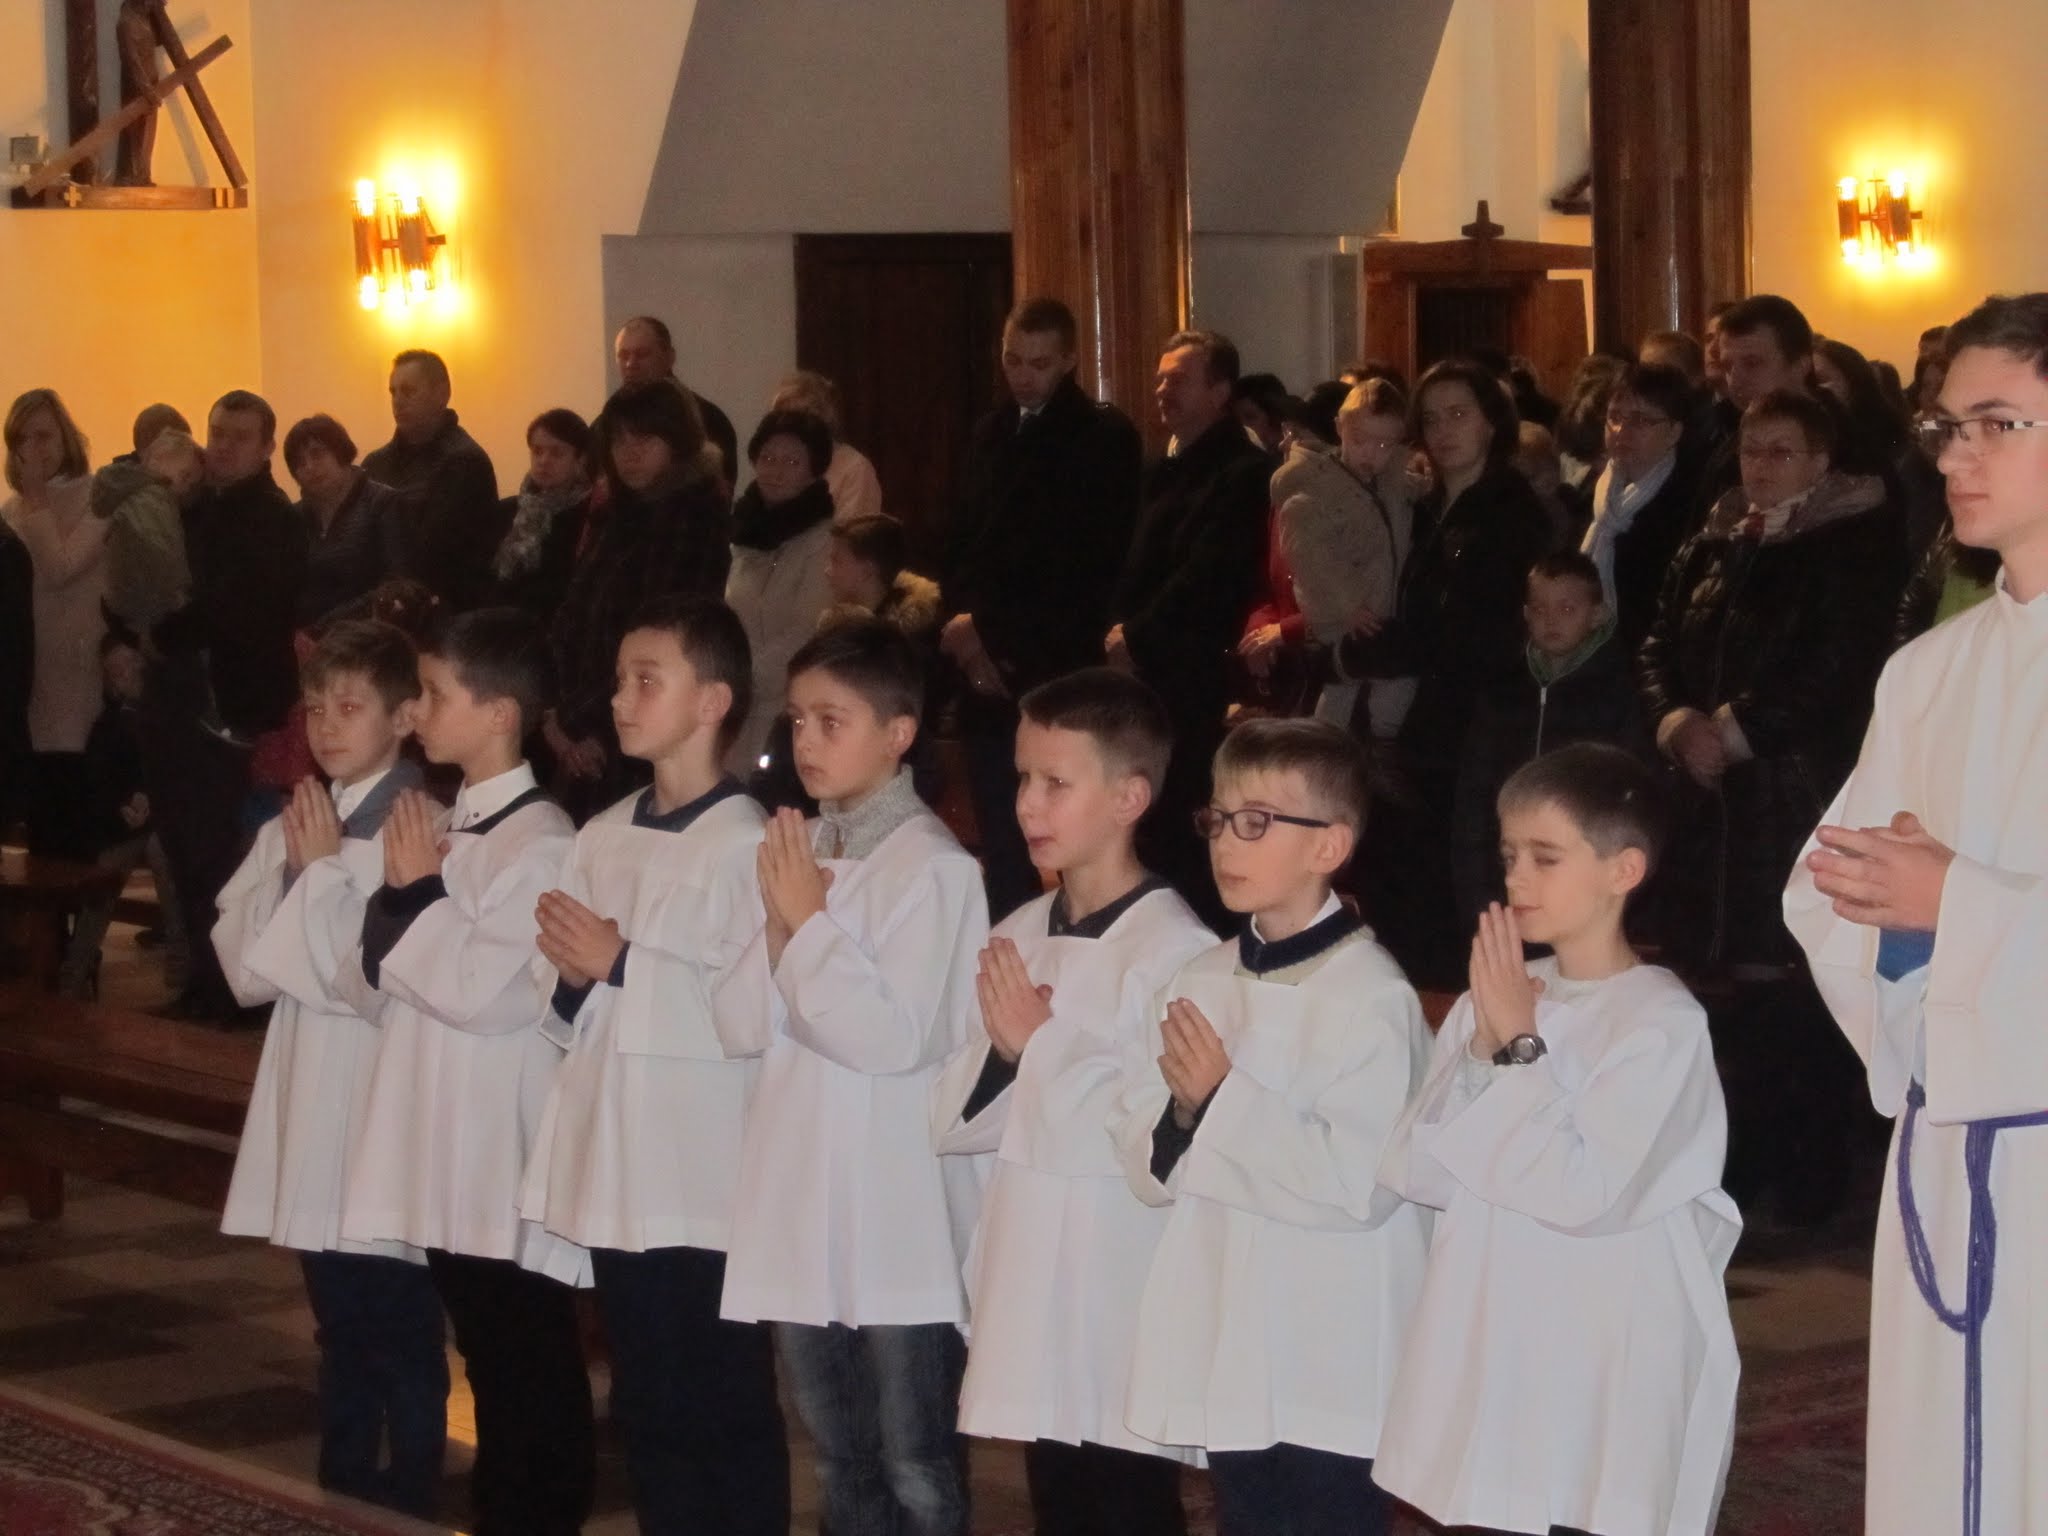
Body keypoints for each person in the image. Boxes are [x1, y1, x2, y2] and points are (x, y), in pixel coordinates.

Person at [1788, 294, 2048, 1536]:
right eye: (1945, 427)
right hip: (1947, 1141)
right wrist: (1899, 934)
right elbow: (1824, 886)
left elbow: (1937, 892)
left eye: (1995, 424)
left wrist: (1959, 903)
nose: (1953, 456)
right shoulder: (1925, 672)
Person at [1377, 744, 1740, 1536]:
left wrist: (1518, 1046)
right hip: (1498, 1322)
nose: (1517, 879)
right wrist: (1482, 1049)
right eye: (1509, 855)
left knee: (1585, 1503)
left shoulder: (1659, 1021)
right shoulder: (1497, 997)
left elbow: (1587, 1194)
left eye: (1545, 857)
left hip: (1602, 1341)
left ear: (1623, 870)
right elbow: (1416, 1171)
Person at [1114, 717, 1432, 1536]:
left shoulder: (1371, 996)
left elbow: (1363, 1186)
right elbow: (1145, 1156)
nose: (1226, 841)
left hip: (1332, 1338)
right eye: (1218, 819)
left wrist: (1223, 1100)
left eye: (1256, 822)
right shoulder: (1198, 977)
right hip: (1229, 1324)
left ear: (1329, 845)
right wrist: (1185, 1113)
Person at [520, 596, 789, 1535]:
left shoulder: (750, 844)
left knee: (721, 1397)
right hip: (618, 1156)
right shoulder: (600, 835)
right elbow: (560, 993)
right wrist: (571, 978)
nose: (619, 699)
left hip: (702, 1168)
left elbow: (754, 1009)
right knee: (647, 1399)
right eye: (619, 680)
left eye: (646, 680)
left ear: (712, 701)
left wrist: (624, 962)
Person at [715, 619, 989, 1536]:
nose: (806, 741)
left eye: (832, 721)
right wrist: (783, 924)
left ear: (898, 733)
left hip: (895, 1206)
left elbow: (891, 1037)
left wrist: (805, 927)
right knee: (838, 1456)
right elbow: (736, 1021)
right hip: (801, 1199)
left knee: (917, 1463)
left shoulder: (936, 869)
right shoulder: (802, 852)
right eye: (797, 720)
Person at [931, 669, 1213, 1536]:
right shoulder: (1016, 933)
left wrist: (1040, 1046)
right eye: (1023, 777)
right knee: (1058, 1498)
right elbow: (951, 1117)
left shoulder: (1177, 953)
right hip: (1029, 1265)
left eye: (1056, 782)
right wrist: (1005, 1056)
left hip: (1118, 1279)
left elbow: (1156, 1140)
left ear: (1130, 797)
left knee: (1127, 1506)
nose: (1027, 803)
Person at [340, 608, 593, 1536]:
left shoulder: (545, 841)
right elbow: (374, 971)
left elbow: (493, 994)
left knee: (526, 1357)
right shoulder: (443, 821)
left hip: (497, 1134)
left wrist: (415, 891)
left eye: (434, 693)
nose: (414, 711)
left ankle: (538, 1517)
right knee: (484, 1353)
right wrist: (403, 896)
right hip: (437, 1120)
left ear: (500, 714)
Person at [1639, 387, 1904, 1224]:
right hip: (1705, 800)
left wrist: (1736, 731)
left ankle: (1809, 1177)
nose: (1760, 467)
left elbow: (1838, 666)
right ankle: (1733, 1164)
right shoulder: (1714, 540)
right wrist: (1678, 721)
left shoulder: (1848, 547)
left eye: (1781, 452)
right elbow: (1657, 641)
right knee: (1720, 989)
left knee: (1795, 986)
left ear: (1821, 461)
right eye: (1752, 449)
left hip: (1790, 792)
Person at [213, 620, 446, 1518]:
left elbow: (372, 980)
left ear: (405, 717)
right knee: (339, 1309)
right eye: (315, 708)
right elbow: (245, 971)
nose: (326, 726)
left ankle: (413, 1477)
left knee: (399, 1307)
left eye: (350, 707)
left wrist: (318, 877)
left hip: (382, 1090)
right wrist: (296, 870)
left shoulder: (423, 828)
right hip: (312, 1086)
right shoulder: (302, 822)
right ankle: (345, 1471)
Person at [1331, 359, 1554, 988]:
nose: (1444, 429)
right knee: (1400, 896)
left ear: (1492, 423)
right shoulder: (1425, 506)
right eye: (1431, 418)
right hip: (1419, 727)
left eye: (1459, 414)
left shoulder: (1510, 513)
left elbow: (1472, 635)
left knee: (1457, 903)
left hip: (1477, 730)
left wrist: (1356, 656)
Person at [944, 297, 1142, 921]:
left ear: (1070, 360)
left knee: (1067, 828)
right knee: (1000, 833)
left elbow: (1082, 561)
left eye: (1039, 363)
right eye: (1013, 360)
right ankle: (1011, 941)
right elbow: (963, 539)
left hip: (1052, 659)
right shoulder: (990, 431)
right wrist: (963, 630)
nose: (1023, 376)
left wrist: (990, 633)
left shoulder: (1101, 437)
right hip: (980, 656)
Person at [1109, 330, 1274, 930]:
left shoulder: (1243, 472)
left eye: (1177, 379)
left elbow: (1211, 575)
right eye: (1159, 378)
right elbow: (1131, 562)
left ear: (1220, 391)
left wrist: (1137, 636)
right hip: (1143, 670)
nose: (1162, 389)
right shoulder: (1164, 466)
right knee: (1143, 822)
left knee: (1185, 826)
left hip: (1192, 673)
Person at [149, 390, 306, 1020]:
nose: (223, 446)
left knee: (221, 860)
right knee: (184, 852)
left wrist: (163, 632)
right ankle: (201, 985)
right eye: (216, 433)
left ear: (267, 447)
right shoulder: (196, 509)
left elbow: (234, 611)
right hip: (183, 707)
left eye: (240, 436)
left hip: (233, 715)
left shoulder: (272, 518)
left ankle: (229, 995)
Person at [549, 381, 732, 819]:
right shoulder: (614, 512)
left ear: (677, 441)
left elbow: (661, 637)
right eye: (619, 441)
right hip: (581, 718)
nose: (629, 454)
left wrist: (591, 724)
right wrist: (556, 715)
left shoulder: (694, 518)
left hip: (641, 724)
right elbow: (575, 614)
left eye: (645, 439)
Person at [1453, 551, 1648, 922]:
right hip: (1505, 887)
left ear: (1597, 614)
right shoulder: (1503, 692)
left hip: (1584, 892)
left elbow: (1631, 800)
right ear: (1526, 613)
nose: (1551, 620)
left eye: (1567, 609)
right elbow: (1473, 797)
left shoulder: (1619, 692)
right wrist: (1477, 895)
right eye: (1540, 609)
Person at [1244, 377, 1413, 733]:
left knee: (1393, 683)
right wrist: (1346, 604)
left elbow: (1406, 486)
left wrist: (1417, 475)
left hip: (1382, 606)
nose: (1372, 453)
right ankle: (1329, 741)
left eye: (1385, 444)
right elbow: (1312, 560)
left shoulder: (1385, 478)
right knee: (1340, 688)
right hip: (1343, 614)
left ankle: (1384, 740)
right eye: (1360, 440)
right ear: (1339, 429)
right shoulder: (1315, 489)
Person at [57, 633, 188, 1002]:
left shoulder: (172, 713)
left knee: (164, 855)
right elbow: (101, 779)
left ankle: (181, 972)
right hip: (126, 826)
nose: (125, 674)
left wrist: (153, 801)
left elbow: (180, 771)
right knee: (105, 872)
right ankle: (73, 975)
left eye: (130, 664)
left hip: (167, 820)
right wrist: (124, 806)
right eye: (115, 670)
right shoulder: (109, 724)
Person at [3, 388, 103, 860]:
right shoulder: (11, 511)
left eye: (43, 436)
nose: (33, 450)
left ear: (65, 437)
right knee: (37, 833)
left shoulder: (96, 499)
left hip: (77, 683)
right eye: (21, 440)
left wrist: (39, 500)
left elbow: (61, 567)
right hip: (26, 682)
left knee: (73, 828)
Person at [725, 409, 840, 774]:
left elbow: (809, 626)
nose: (775, 471)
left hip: (790, 706)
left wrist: (747, 679)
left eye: (792, 462)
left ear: (814, 470)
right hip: (736, 703)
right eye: (768, 458)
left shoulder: (825, 542)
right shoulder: (742, 537)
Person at [359, 350, 501, 613]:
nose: (397, 401)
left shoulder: (465, 462)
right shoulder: (375, 463)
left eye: (409, 391)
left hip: (442, 609)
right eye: (393, 392)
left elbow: (434, 555)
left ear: (442, 394)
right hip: (378, 600)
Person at [1579, 362, 1699, 657]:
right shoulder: (1594, 494)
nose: (1622, 430)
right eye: (1614, 417)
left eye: (1641, 420)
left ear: (1674, 432)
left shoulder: (1688, 503)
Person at [284, 415, 404, 630]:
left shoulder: (383, 503)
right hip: (301, 639)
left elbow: (396, 586)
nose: (309, 466)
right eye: (299, 462)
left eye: (317, 454)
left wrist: (323, 630)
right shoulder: (293, 517)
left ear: (340, 451)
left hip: (368, 636)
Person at [91, 428, 201, 643]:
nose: (186, 487)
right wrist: (181, 592)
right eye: (185, 475)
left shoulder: (128, 493)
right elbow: (165, 551)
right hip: (149, 602)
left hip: (121, 597)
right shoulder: (155, 499)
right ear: (158, 460)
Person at [489, 410, 594, 616]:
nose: (544, 461)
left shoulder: (589, 518)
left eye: (557, 453)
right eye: (537, 451)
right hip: (496, 621)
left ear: (580, 460)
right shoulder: (507, 511)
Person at [615, 315, 739, 486]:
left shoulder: (707, 419)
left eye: (642, 354)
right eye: (623, 355)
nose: (630, 364)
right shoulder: (607, 423)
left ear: (669, 357)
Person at [771, 370, 884, 523]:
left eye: (800, 418)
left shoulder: (855, 469)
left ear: (825, 418)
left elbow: (854, 535)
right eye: (782, 419)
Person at [824, 513, 940, 641]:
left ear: (867, 571)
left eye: (837, 561)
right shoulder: (845, 628)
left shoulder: (899, 642)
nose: (827, 571)